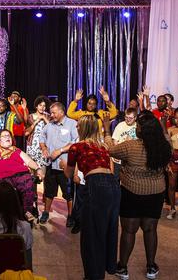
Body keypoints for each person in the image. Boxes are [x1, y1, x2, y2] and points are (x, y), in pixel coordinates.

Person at [102, 111, 170, 280]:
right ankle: (151, 267)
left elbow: (110, 150)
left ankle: (123, 268)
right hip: (155, 194)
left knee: (128, 231)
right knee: (150, 229)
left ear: (143, 130)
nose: (136, 128)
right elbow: (167, 140)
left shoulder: (131, 146)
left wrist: (106, 129)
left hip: (131, 193)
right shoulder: (164, 147)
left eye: (139, 126)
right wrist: (163, 124)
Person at [64, 115, 120, 280]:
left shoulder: (77, 147)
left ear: (83, 129)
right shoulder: (102, 146)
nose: (76, 128)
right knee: (109, 228)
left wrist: (62, 165)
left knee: (91, 234)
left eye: (78, 126)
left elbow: (69, 173)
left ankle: (93, 276)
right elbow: (110, 169)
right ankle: (107, 266)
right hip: (113, 186)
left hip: (95, 186)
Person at [0, 129, 44, 221]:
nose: (7, 137)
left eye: (9, 136)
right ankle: (3, 214)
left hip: (20, 175)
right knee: (5, 189)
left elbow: (29, 161)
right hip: (0, 177)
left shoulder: (17, 151)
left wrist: (38, 169)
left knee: (28, 182)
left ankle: (27, 211)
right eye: (4, 136)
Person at [39, 102, 78, 226]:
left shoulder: (72, 124)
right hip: (51, 164)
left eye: (54, 113)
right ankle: (46, 212)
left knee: (68, 193)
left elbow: (76, 142)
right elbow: (41, 138)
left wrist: (60, 151)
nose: (52, 115)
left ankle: (71, 215)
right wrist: (44, 149)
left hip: (65, 165)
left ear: (61, 112)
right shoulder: (49, 125)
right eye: (51, 113)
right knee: (49, 191)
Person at [25, 96, 51, 218]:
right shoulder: (30, 117)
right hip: (32, 149)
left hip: (43, 150)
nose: (42, 107)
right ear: (36, 106)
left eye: (44, 106)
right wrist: (36, 121)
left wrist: (44, 118)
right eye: (40, 105)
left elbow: (52, 129)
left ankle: (46, 203)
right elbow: (26, 132)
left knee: (44, 176)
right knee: (32, 177)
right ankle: (33, 201)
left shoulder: (48, 117)